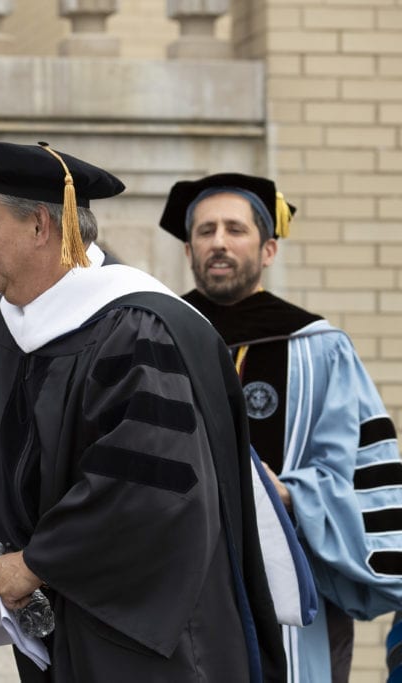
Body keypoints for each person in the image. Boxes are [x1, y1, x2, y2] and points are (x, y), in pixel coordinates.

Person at [0, 141, 287, 681]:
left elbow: (148, 483)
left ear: (42, 227)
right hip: (71, 625)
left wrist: (38, 561)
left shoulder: (138, 327)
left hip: (157, 636)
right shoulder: (5, 328)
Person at [158, 172, 402, 683]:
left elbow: (357, 469)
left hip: (291, 588)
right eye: (204, 231)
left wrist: (291, 494)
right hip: (178, 589)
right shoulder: (156, 341)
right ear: (188, 251)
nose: (218, 242)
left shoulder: (319, 348)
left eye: (234, 229)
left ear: (268, 249)